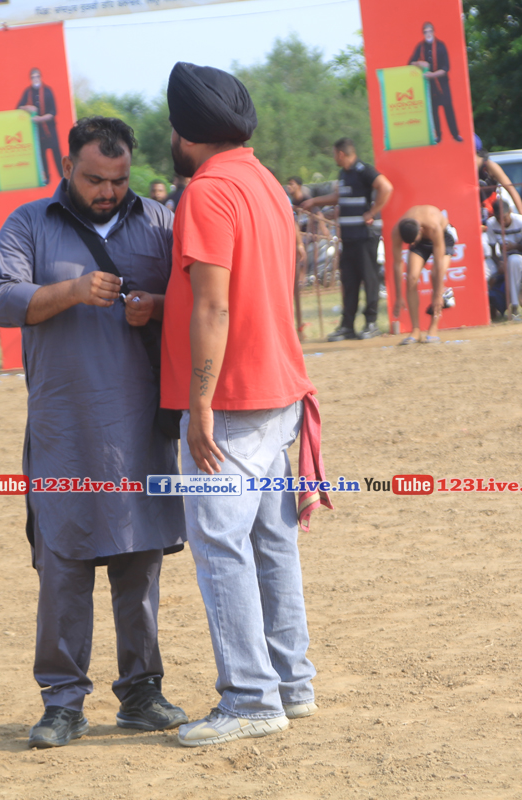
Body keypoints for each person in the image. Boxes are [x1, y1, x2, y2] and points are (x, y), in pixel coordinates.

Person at [0, 115, 187, 749]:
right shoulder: (29, 223)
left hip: (139, 425)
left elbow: (196, 298)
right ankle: (63, 703)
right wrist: (72, 290)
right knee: (64, 565)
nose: (108, 191)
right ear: (67, 166)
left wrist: (156, 306)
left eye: (119, 179)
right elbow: (2, 300)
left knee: (139, 561)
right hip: (64, 428)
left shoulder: (158, 222)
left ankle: (142, 693)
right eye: (96, 179)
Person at [160, 61, 323, 747]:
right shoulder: (265, 183)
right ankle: (292, 683)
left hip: (231, 400)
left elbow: (214, 305)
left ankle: (252, 700)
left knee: (220, 546)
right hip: (279, 389)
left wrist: (199, 402)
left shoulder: (207, 191)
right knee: (271, 543)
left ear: (187, 131)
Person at [300, 138, 393, 341]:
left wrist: (372, 212)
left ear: (341, 154)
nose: (334, 157)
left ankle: (371, 323)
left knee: (369, 279)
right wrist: (314, 201)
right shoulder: (344, 174)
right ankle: (347, 326)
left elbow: (386, 187)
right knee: (349, 281)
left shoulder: (363, 170)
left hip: (365, 236)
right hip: (349, 237)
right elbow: (339, 197)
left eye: (334, 154)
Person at [390, 205, 453, 344]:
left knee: (435, 275)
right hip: (421, 241)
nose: (412, 244)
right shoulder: (397, 231)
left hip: (443, 236)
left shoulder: (433, 226)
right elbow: (397, 264)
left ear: (421, 230)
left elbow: (438, 263)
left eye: (413, 240)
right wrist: (399, 296)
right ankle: (416, 330)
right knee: (411, 278)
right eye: (410, 243)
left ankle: (433, 329)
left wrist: (438, 295)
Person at [409, 22, 462, 144]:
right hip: (429, 86)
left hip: (442, 84)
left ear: (433, 32)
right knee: (433, 111)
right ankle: (438, 136)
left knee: (448, 109)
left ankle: (455, 134)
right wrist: (419, 63)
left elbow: (446, 68)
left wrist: (433, 75)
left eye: (430, 31)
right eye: (425, 32)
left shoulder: (440, 46)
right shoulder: (420, 47)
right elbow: (410, 62)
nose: (428, 34)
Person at [484, 198, 522, 321]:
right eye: (498, 218)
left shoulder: (521, 221)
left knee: (514, 260)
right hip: (502, 258)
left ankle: (515, 308)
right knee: (483, 268)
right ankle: (486, 309)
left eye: (504, 218)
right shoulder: (491, 223)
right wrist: (499, 263)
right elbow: (492, 249)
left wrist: (516, 246)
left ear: (510, 211)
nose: (501, 221)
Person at [18, 68, 64, 184]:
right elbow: (18, 107)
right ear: (30, 79)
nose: (35, 79)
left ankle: (64, 176)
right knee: (41, 155)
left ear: (41, 77)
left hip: (50, 129)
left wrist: (41, 119)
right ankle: (46, 178)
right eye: (33, 77)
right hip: (37, 131)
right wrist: (28, 108)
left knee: (56, 153)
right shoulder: (28, 92)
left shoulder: (48, 91)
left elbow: (53, 112)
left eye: (37, 76)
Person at [475, 135, 522, 218]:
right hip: (477, 215)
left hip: (494, 215)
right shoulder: (465, 170)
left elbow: (511, 189)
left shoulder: (489, 166)